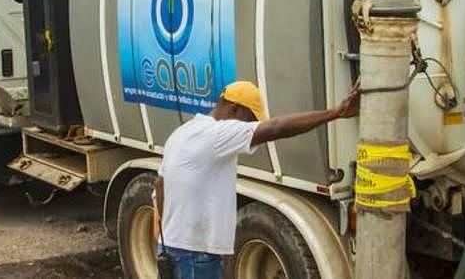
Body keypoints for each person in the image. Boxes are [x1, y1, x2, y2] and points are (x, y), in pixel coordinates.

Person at [154, 80, 360, 279]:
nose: (252, 127)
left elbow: (160, 185)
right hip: (195, 254)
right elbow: (277, 128)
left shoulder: (181, 133)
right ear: (234, 109)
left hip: (174, 249)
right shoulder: (217, 133)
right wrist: (336, 112)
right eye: (250, 120)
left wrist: (165, 238)